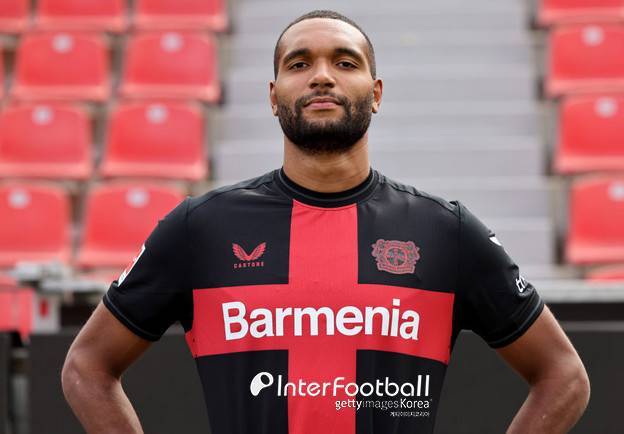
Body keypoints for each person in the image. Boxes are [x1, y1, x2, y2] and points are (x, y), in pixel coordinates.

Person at [61, 9, 590, 434]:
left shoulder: (443, 231)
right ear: (273, 98)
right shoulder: (200, 228)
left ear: (375, 93)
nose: (321, 76)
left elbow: (563, 375)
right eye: (298, 64)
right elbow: (87, 366)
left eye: (344, 62)